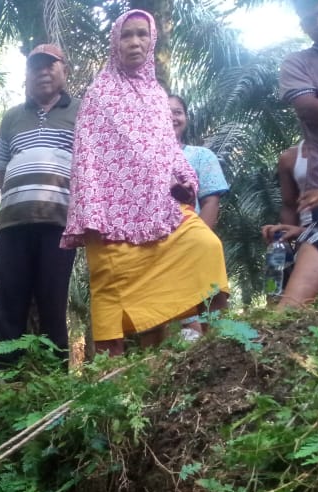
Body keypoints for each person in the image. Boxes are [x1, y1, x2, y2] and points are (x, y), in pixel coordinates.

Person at [61, 10, 228, 356]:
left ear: (152, 41)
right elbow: (85, 158)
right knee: (111, 293)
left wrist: (185, 179)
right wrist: (90, 213)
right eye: (127, 35)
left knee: (206, 247)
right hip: (109, 217)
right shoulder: (99, 93)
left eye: (142, 34)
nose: (135, 42)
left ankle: (221, 346)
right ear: (115, 42)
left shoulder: (156, 95)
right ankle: (111, 376)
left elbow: (168, 149)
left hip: (160, 209)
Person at [0, 43, 79, 370]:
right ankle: (5, 379)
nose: (42, 72)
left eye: (49, 65)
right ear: (26, 75)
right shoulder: (11, 117)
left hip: (59, 222)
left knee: (52, 302)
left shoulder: (81, 111)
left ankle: (56, 379)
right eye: (35, 67)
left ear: (64, 70)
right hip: (12, 222)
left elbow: (89, 166)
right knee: (8, 302)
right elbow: (2, 169)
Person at [261, 0, 318, 307]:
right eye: (311, 18)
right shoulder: (298, 63)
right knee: (290, 306)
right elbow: (307, 107)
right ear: (302, 25)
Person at [168, 96, 229, 231]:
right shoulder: (138, 158)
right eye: (165, 112)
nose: (172, 117)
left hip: (189, 235)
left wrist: (196, 237)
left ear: (186, 118)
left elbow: (210, 203)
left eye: (178, 112)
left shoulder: (202, 156)